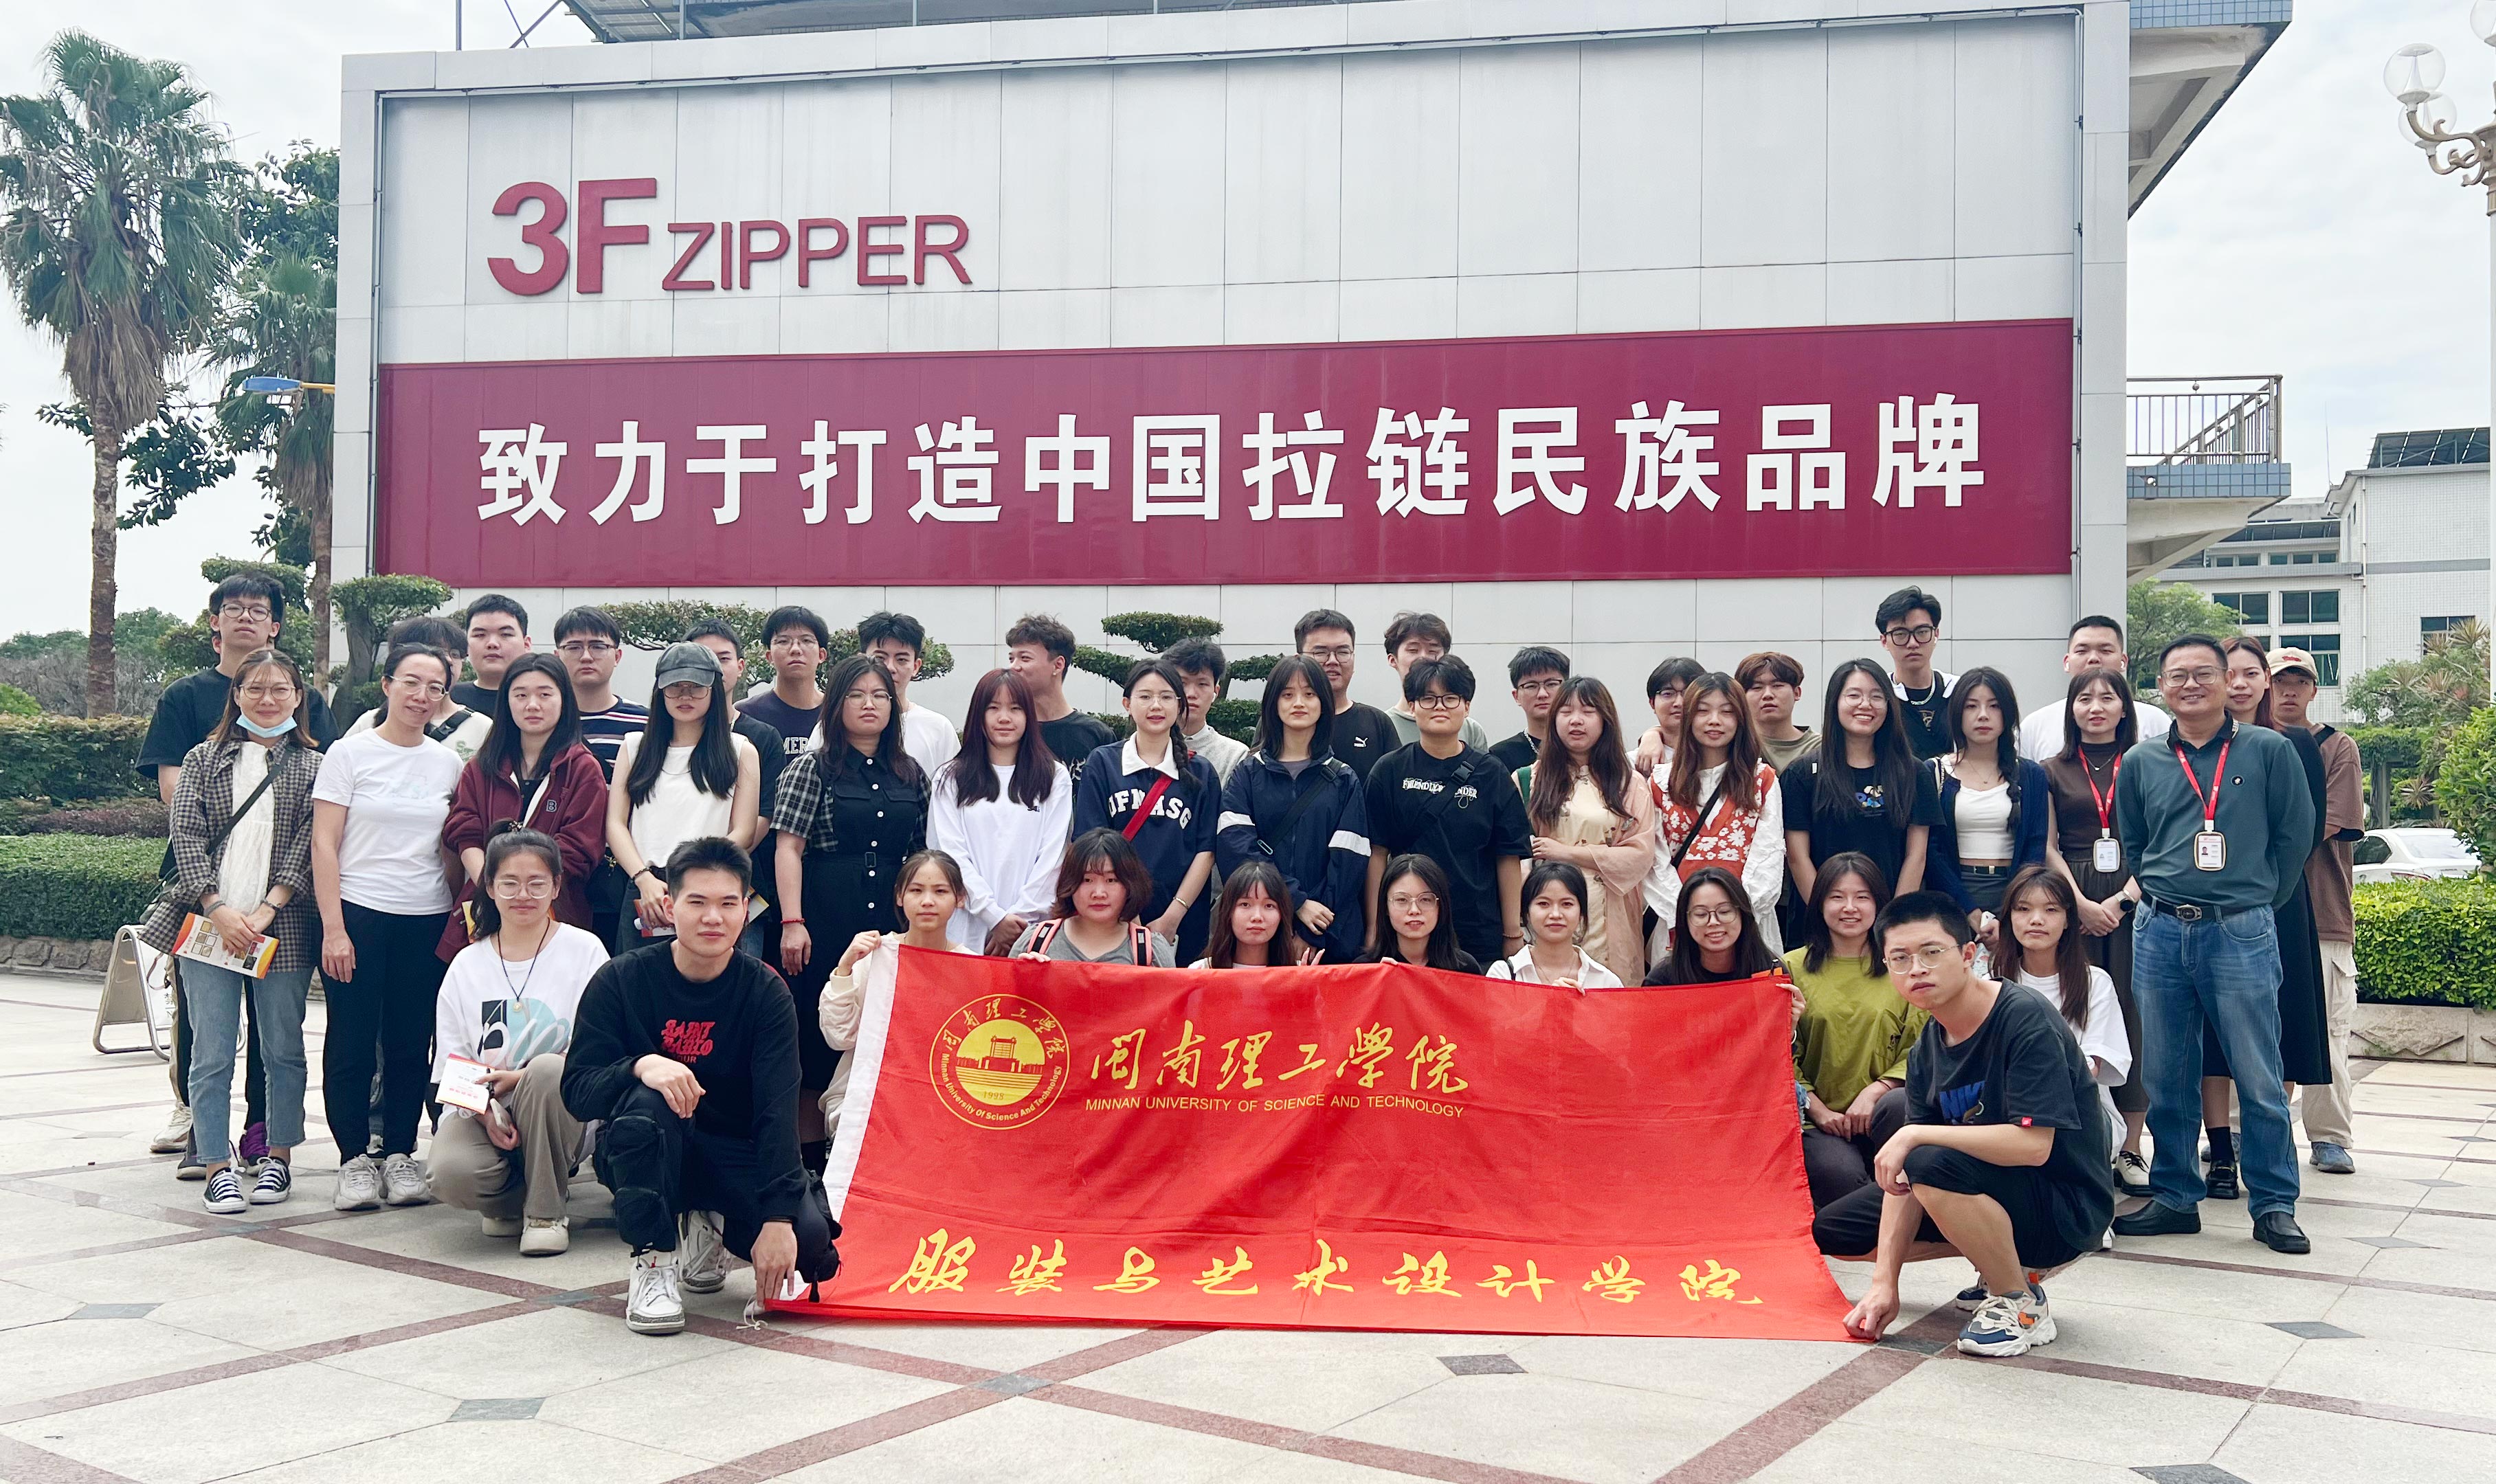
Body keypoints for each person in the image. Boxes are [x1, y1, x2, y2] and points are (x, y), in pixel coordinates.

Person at [561, 837, 839, 1336]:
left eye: (728, 903)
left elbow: (777, 1111)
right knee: (650, 1102)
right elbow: (578, 1090)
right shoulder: (621, 980)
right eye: (697, 902)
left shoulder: (765, 992)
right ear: (670, 907)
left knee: (812, 1249)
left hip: (733, 1149)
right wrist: (639, 1066)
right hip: (646, 1145)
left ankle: (708, 1221)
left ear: (746, 910)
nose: (713, 917)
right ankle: (654, 1260)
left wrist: (778, 1219)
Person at [1820, 892, 2115, 1358]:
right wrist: (1884, 1285)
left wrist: (1915, 1133)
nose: (1917, 969)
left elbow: (2035, 1146)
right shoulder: (1927, 1048)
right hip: (1994, 1188)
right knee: (1835, 1231)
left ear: (1968, 954)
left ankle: (2019, 1300)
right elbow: (1907, 1177)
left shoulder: (2023, 1018)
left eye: (1931, 952)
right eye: (1900, 959)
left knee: (1927, 1158)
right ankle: (1996, 1256)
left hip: (2064, 1207)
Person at [2110, 635, 2315, 1255]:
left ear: (2229, 682)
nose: (2191, 684)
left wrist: (2257, 902)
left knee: (2259, 1071)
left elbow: (2295, 836)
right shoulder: (2141, 760)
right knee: (2166, 1072)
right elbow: (2136, 843)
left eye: (2204, 673)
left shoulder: (2270, 750)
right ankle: (2175, 1196)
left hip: (2240, 929)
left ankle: (2274, 1203)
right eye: (2177, 676)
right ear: (2161, 687)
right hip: (2160, 928)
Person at [135, 572, 337, 1169]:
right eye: (233, 608)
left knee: (281, 1043)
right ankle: (207, 1148)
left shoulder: (313, 755)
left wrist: (269, 907)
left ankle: (269, 1146)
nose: (268, 699)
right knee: (208, 1040)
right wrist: (217, 906)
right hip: (208, 912)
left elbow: (314, 833)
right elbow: (183, 820)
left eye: (280, 690)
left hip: (283, 919)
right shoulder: (194, 726)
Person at [312, 642, 464, 1213]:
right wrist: (334, 928)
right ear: (387, 685)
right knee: (351, 1040)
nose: (422, 696)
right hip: (359, 911)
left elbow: (449, 850)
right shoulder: (350, 754)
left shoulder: (446, 763)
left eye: (435, 687)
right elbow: (324, 843)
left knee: (410, 1040)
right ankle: (354, 1157)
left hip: (425, 916)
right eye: (411, 683)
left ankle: (400, 1152)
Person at [2188, 635, 2332, 1202]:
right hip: (2209, 906)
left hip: (2279, 903)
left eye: (2252, 673)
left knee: (2282, 1029)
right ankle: (2221, 1152)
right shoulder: (2193, 746)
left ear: (2265, 681)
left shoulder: (2294, 744)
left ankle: (2264, 1148)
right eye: (2231, 673)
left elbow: (2305, 830)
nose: (2241, 683)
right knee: (2212, 1035)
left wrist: (2266, 890)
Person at [425, 829, 606, 1254]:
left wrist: (521, 1078)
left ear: (556, 886)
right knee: (449, 1174)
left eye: (536, 883)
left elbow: (600, 1047)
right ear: (489, 887)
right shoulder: (466, 965)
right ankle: (513, 1201)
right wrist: (485, 1112)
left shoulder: (585, 951)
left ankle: (545, 1213)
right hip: (488, 1107)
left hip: (562, 1103)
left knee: (546, 1070)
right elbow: (452, 1065)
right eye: (509, 883)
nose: (523, 895)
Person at [774, 654, 931, 1137]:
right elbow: (788, 848)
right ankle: (808, 1152)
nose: (869, 705)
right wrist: (793, 922)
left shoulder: (911, 773)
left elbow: (921, 855)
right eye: (857, 695)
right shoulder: (811, 769)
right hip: (824, 915)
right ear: (837, 703)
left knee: (887, 1028)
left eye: (880, 695)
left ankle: (877, 1144)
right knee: (817, 1029)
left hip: (893, 920)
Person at [2038, 668, 2151, 1194]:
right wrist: (2078, 904)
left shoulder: (2148, 763)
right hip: (2073, 898)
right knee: (2077, 1009)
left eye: (2108, 697)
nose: (2096, 707)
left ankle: (2132, 1147)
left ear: (2125, 707)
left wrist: (2123, 900)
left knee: (2133, 1011)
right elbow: (2047, 846)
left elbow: (2160, 841)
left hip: (2135, 895)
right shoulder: (2051, 770)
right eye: (2085, 698)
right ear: (2072, 709)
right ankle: (2080, 1139)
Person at [439, 653, 608, 962]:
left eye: (545, 694)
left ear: (564, 700)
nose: (532, 705)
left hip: (555, 909)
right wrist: (493, 887)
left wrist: (525, 891)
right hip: (483, 903)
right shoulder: (482, 766)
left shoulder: (583, 769)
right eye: (520, 695)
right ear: (506, 702)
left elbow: (579, 849)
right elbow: (465, 831)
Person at [1363, 656, 1530, 967]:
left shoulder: (1492, 774)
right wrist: (1374, 928)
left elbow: (1508, 856)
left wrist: (1512, 933)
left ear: (1466, 706)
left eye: (1451, 698)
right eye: (1428, 699)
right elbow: (1377, 853)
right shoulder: (1389, 771)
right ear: (1412, 706)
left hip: (1477, 931)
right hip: (1408, 933)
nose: (1439, 707)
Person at [2269, 647, 2364, 1176]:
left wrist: (2261, 844)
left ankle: (2329, 1136)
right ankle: (2240, 1129)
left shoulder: (2336, 746)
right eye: (2279, 681)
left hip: (2321, 910)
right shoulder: (2246, 744)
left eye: (2299, 681)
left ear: (2313, 690)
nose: (2288, 691)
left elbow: (2330, 819)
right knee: (2251, 1025)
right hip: (2258, 911)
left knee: (2327, 1029)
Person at [1785, 853, 1921, 1211]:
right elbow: (1780, 1053)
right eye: (1837, 897)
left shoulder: (1904, 966)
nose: (1850, 908)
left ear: (1879, 903)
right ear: (1819, 904)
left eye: (1862, 897)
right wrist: (1818, 1110)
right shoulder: (1790, 967)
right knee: (1840, 1178)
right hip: (1817, 1120)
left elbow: (1921, 1045)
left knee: (1900, 1108)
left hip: (1885, 1112)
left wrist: (1878, 1091)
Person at [1214, 655, 1370, 965]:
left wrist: (1313, 932)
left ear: (1323, 703)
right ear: (1273, 704)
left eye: (1309, 694)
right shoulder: (1247, 774)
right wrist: (1295, 902)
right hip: (1259, 938)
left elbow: (1349, 866)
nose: (1299, 702)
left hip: (1328, 940)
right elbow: (1236, 850)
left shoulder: (1343, 779)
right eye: (1288, 694)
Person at [608, 644, 764, 951]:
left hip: (711, 887)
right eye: (674, 687)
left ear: (714, 690)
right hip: (647, 890)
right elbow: (615, 824)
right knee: (640, 976)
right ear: (660, 691)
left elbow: (744, 832)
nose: (685, 696)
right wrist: (643, 878)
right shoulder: (634, 747)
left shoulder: (741, 751)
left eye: (696, 687)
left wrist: (695, 878)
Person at [817, 850, 976, 1139]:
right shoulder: (876, 954)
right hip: (869, 1097)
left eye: (940, 891)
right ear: (900, 896)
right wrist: (845, 968)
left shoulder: (972, 967)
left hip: (942, 1103)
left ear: (960, 898)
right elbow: (839, 1037)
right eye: (916, 890)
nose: (927, 901)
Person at [1073, 660, 1222, 963]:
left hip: (1182, 921)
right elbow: (1090, 843)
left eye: (1166, 697)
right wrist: (1129, 913)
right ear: (1127, 704)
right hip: (1113, 916)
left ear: (1179, 705)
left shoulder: (1201, 772)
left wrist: (1173, 916)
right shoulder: (1103, 763)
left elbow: (1206, 851)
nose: (1156, 705)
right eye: (1145, 696)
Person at [1515, 676, 1655, 985]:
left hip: (1611, 908)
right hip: (1550, 905)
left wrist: (1565, 853)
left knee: (1609, 997)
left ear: (1605, 720)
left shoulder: (1629, 783)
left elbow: (1640, 855)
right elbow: (1517, 857)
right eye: (1566, 712)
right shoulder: (1529, 780)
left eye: (1588, 711)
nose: (1576, 720)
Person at [928, 668, 1073, 956]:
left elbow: (1055, 855)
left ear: (1029, 716)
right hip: (965, 929)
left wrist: (1017, 923)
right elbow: (948, 853)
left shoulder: (1054, 777)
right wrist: (993, 917)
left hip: (1032, 932)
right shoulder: (951, 778)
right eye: (993, 708)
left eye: (1015, 709)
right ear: (978, 715)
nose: (1004, 718)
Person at [1648, 671, 1782, 962]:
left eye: (1727, 712)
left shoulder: (1761, 780)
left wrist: (1734, 917)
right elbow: (1653, 861)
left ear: (1741, 719)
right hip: (1677, 926)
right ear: (1688, 718)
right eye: (1703, 711)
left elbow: (1769, 855)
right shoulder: (1660, 782)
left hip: (1750, 925)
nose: (1714, 721)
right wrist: (1687, 916)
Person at [1784, 658, 1940, 903]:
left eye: (1877, 697)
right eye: (1854, 695)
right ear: (1835, 702)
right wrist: (1827, 912)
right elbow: (1797, 858)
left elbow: (1916, 857)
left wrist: (1893, 918)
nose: (1866, 705)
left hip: (1891, 914)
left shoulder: (1914, 773)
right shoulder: (1802, 774)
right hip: (1820, 914)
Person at [2001, 866, 2132, 1152]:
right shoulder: (1991, 984)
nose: (2036, 920)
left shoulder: (2095, 983)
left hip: (2081, 1115)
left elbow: (2090, 1069)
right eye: (2023, 909)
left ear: (2068, 920)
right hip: (2008, 1113)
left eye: (2051, 910)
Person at [1926, 668, 2055, 938]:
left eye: (1994, 706)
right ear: (1957, 713)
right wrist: (1972, 913)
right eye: (1971, 706)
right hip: (1951, 898)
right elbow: (1931, 851)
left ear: (2007, 713)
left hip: (2016, 895)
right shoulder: (1935, 772)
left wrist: (2012, 911)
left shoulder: (2031, 775)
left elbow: (2035, 846)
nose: (1983, 715)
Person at [555, 605, 648, 947]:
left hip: (624, 871)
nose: (586, 656)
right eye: (574, 647)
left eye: (598, 646)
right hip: (561, 870)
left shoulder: (646, 723)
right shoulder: (542, 720)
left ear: (617, 655)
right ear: (557, 655)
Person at [1010, 829, 1179, 966]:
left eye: (1111, 880)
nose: (1099, 893)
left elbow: (1173, 998)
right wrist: (1021, 976)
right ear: (1070, 883)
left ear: (1130, 885)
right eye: (1087, 880)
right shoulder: (1035, 941)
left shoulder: (1151, 951)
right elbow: (1005, 996)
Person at [2017, 615, 2172, 760]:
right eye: (2082, 651)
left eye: (2105, 651)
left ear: (2123, 661)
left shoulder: (2154, 721)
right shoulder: (2034, 726)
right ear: (2067, 662)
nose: (2093, 659)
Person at [344, 616, 493, 759]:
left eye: (455, 654)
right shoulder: (369, 723)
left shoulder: (482, 727)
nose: (448, 660)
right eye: (437, 651)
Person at [687, 621, 790, 824]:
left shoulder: (764, 737)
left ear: (740, 667)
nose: (715, 668)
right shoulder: (665, 734)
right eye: (703, 658)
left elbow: (767, 813)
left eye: (723, 659)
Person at [1003, 614, 1117, 781]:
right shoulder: (1006, 729)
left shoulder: (1096, 734)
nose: (1013, 667)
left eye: (1025, 658)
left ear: (1058, 665)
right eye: (1011, 659)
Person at [1295, 607, 1401, 778]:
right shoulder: (1281, 721)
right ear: (1298, 659)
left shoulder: (1377, 723)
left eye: (1343, 652)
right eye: (1320, 653)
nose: (1333, 661)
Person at [859, 610, 961, 781]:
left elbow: (953, 791)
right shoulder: (833, 726)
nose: (890, 668)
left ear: (916, 666)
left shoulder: (939, 729)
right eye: (880, 658)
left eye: (901, 659)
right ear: (862, 660)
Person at [1486, 861, 1623, 989]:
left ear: (1581, 912)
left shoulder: (1606, 981)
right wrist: (1552, 1000)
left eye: (1567, 904)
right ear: (1527, 912)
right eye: (1544, 904)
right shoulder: (1503, 975)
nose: (1555, 914)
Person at [1643, 866, 1781, 985]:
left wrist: (1790, 1007)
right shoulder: (1662, 981)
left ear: (1743, 915)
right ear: (1684, 921)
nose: (1713, 922)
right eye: (1701, 914)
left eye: (1724, 911)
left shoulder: (1772, 971)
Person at [1381, 611, 1491, 750]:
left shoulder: (1470, 729)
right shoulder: (1382, 726)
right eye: (1413, 650)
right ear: (1393, 660)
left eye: (1433, 651)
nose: (1423, 658)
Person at [1363, 853, 1483, 974]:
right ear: (1385, 906)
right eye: (1402, 900)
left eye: (1425, 900)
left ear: (1441, 905)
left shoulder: (1465, 968)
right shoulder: (1365, 969)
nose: (1414, 910)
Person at [737, 605, 829, 760]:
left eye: (806, 640)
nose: (795, 649)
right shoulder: (746, 714)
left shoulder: (838, 711)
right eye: (783, 641)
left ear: (821, 655)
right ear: (769, 656)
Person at [1877, 587, 1957, 761]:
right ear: (1884, 641)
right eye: (1900, 634)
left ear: (1936, 634)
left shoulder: (1961, 692)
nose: (1912, 643)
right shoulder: (1877, 698)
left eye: (1922, 632)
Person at [1193, 859, 1317, 969]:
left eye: (1269, 906)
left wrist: (1307, 985)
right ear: (1228, 912)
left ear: (1282, 915)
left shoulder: (1299, 972)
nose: (1257, 917)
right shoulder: (1201, 971)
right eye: (1245, 904)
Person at [1164, 636, 1249, 785]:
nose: (1191, 694)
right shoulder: (1143, 747)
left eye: (1202, 684)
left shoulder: (1235, 755)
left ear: (1216, 692)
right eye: (1182, 683)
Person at [1490, 647, 1570, 772]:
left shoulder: (1582, 748)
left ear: (1567, 689)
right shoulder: (1500, 756)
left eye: (1551, 684)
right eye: (1531, 686)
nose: (1542, 694)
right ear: (1516, 696)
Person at [1739, 651, 1818, 772]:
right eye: (1757, 687)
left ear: (1797, 693)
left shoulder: (1822, 748)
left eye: (1777, 686)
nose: (1768, 695)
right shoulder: (1736, 747)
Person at [452, 594, 531, 712]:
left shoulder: (544, 700)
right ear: (466, 644)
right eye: (480, 635)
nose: (492, 644)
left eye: (505, 634)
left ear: (526, 644)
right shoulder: (446, 700)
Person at [1630, 656, 1706, 776]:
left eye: (1688, 693)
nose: (1679, 703)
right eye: (1668, 694)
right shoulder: (1631, 764)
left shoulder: (1718, 757)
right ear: (1652, 703)